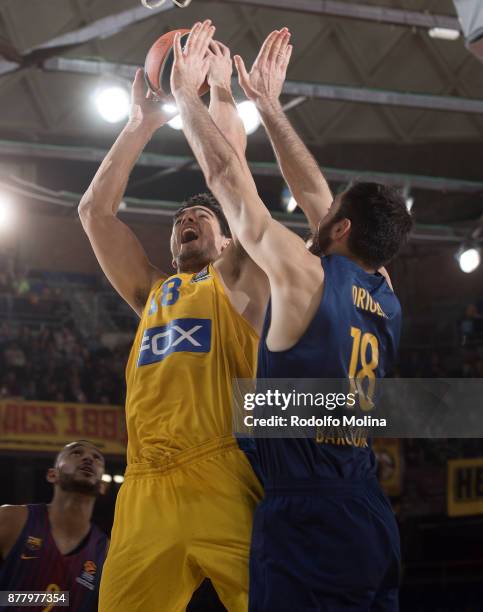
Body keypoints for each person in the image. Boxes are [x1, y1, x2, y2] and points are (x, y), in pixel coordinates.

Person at [172, 21, 413, 611]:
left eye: (332, 214)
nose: (320, 212)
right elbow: (317, 197)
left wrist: (185, 95)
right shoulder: (385, 291)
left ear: (343, 228)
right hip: (366, 509)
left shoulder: (306, 277)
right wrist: (268, 104)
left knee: (237, 259)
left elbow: (229, 180)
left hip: (306, 511)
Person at [78, 32, 269, 612]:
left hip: (222, 470)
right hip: (143, 487)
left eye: (201, 217)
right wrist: (138, 123)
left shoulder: (237, 278)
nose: (187, 218)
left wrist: (217, 93)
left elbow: (230, 177)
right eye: (181, 217)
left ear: (229, 237)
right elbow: (95, 213)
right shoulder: (153, 293)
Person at [0, 440, 108, 612]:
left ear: (102, 486)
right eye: (77, 453)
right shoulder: (11, 519)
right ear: (52, 475)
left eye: (96, 458)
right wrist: (56, 598)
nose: (88, 458)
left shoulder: (107, 551)